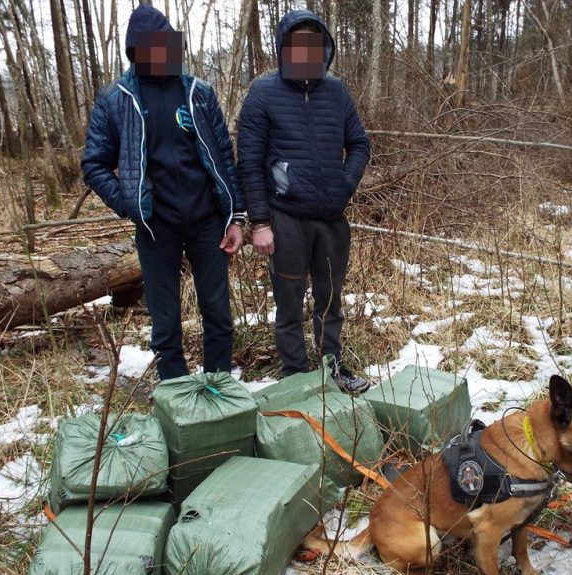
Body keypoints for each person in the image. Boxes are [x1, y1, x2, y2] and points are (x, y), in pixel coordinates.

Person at [82, 5, 246, 381]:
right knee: (165, 319)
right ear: (135, 51)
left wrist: (235, 216)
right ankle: (175, 389)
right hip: (157, 226)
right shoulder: (116, 99)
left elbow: (224, 155)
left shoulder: (197, 93)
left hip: (208, 223)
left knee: (218, 312)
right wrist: (129, 203)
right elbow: (94, 164)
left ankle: (219, 387)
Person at [237, 9, 372, 392]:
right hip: (286, 217)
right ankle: (297, 376)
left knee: (330, 300)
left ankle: (333, 371)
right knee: (290, 302)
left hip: (330, 218)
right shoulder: (263, 93)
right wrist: (260, 223)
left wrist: (343, 186)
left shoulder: (337, 91)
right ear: (284, 48)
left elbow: (359, 143)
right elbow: (248, 161)